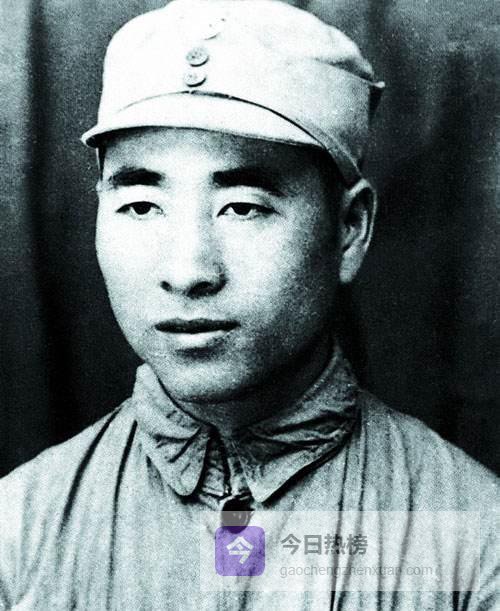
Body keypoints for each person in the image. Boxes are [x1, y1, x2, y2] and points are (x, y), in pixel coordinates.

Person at [0, 1, 497, 609]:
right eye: (141, 206)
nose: (187, 272)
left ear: (349, 230)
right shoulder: (18, 534)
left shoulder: (475, 543)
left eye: (243, 207)